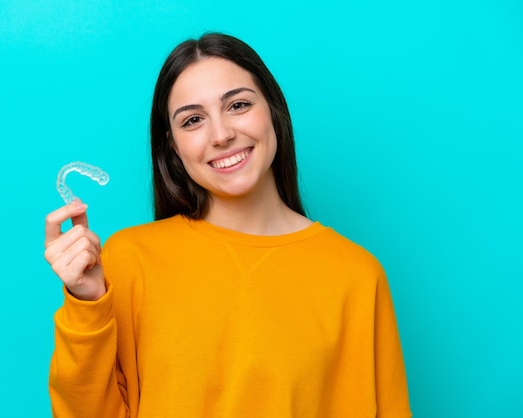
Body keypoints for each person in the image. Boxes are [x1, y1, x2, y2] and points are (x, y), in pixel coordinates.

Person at [43, 33, 411, 417]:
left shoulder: (356, 276)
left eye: (237, 105)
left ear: (273, 111)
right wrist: (87, 302)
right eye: (193, 120)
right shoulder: (129, 260)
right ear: (173, 146)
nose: (221, 135)